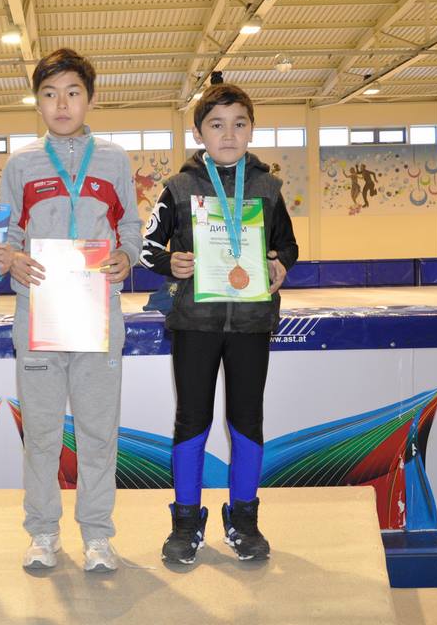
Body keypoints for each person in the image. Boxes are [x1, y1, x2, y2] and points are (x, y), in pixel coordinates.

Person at [0, 49, 142, 573]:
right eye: (50, 94)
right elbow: (7, 235)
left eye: (72, 93)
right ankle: (42, 533)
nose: (61, 104)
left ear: (90, 100)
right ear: (37, 102)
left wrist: (127, 256)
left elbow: (130, 228)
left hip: (98, 315)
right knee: (41, 434)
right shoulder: (21, 164)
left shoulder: (115, 160)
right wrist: (12, 259)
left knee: (99, 433)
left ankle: (98, 537)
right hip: (39, 314)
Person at [139, 83, 298, 564]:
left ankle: (244, 518)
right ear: (199, 132)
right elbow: (148, 249)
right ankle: (186, 521)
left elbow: (288, 246)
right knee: (192, 421)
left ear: (252, 129)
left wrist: (280, 263)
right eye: (216, 124)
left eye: (239, 124)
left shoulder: (268, 187)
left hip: (251, 322)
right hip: (195, 324)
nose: (228, 134)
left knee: (247, 420)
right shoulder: (178, 187)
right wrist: (171, 263)